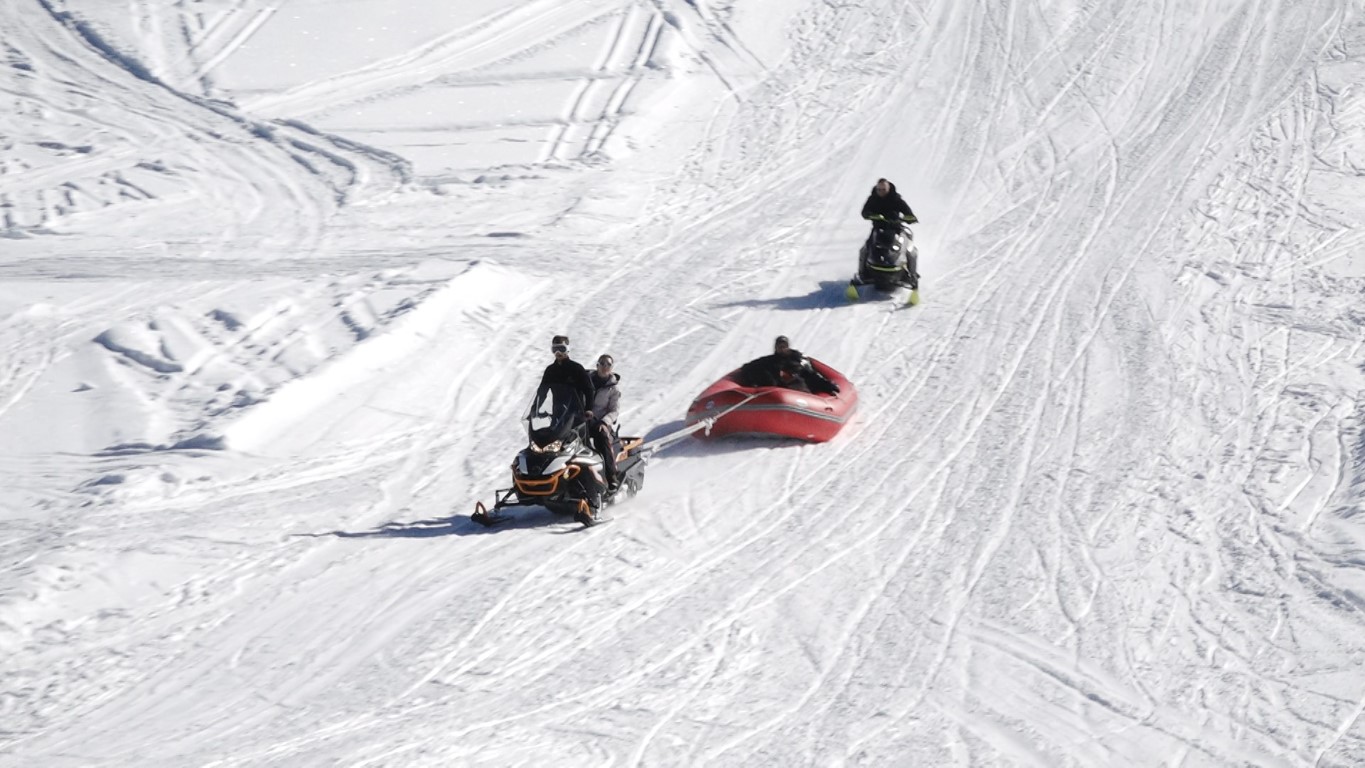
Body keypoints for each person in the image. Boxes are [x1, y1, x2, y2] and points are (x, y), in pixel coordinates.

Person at [738, 336, 839, 395]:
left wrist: (827, 385)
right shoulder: (769, 361)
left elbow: (811, 376)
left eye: (784, 346)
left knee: (803, 379)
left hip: (800, 394)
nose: (782, 349)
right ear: (775, 348)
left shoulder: (796, 360)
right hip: (780, 393)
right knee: (767, 375)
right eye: (779, 346)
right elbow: (747, 367)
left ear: (788, 347)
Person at [536, 334, 595, 420]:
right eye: (555, 349)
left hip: (576, 415)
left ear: (568, 349)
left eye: (562, 349)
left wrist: (589, 409)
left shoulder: (576, 368)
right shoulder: (550, 370)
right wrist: (534, 409)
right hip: (558, 415)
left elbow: (589, 390)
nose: (558, 352)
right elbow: (542, 392)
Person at [585, 353, 622, 490]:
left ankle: (611, 476)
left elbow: (614, 410)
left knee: (602, 437)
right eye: (602, 363)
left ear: (612, 368)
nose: (605, 367)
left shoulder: (613, 388)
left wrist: (605, 422)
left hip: (599, 422)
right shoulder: (587, 381)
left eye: (608, 364)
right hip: (583, 421)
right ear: (597, 365)